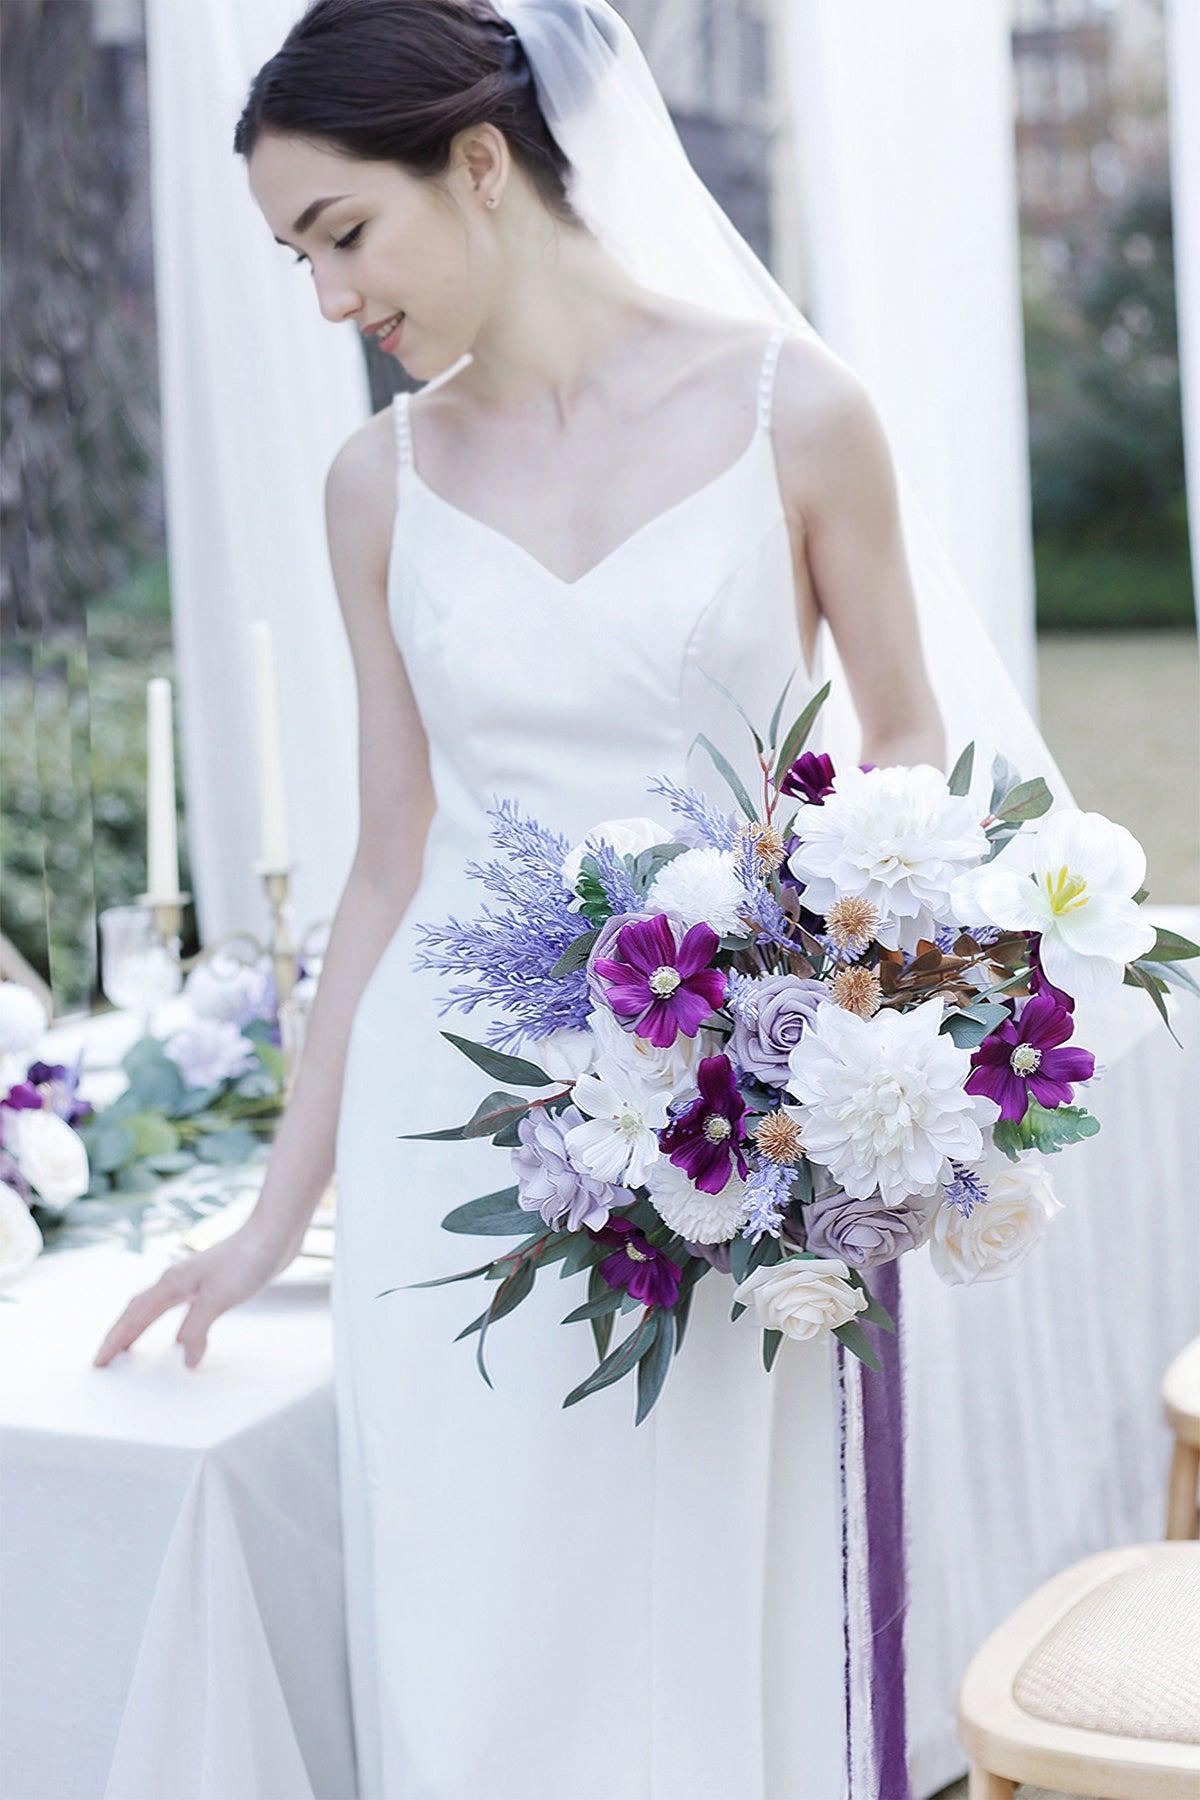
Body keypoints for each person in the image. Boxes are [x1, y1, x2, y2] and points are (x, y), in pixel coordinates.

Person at [93, 1, 1053, 1793]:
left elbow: (905, 740)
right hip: (447, 1151)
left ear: (476, 162)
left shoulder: (798, 410)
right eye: (293, 256)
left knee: (696, 1633)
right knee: (475, 1647)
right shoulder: (374, 485)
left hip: (720, 1148)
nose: (326, 301)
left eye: (342, 235)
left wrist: (843, 1048)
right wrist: (271, 1211)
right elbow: (391, 857)